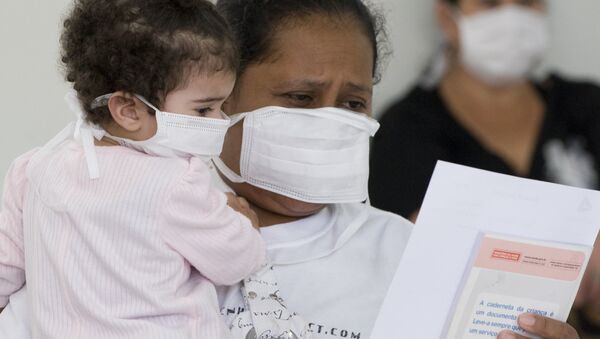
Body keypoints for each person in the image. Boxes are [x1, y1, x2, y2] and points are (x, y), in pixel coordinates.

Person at [0, 0, 583, 338]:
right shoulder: (96, 219)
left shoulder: (405, 253)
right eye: (301, 98)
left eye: (353, 102)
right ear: (222, 96)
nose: (330, 122)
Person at [0, 0, 266, 338]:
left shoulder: (32, 169)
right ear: (128, 109)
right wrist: (243, 225)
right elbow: (235, 261)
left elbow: (5, 268)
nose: (220, 120)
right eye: (204, 110)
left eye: (221, 106)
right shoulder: (175, 181)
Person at [369, 0, 600, 335]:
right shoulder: (408, 132)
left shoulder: (586, 109)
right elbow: (413, 279)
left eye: (525, 3)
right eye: (490, 3)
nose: (510, 16)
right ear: (447, 19)